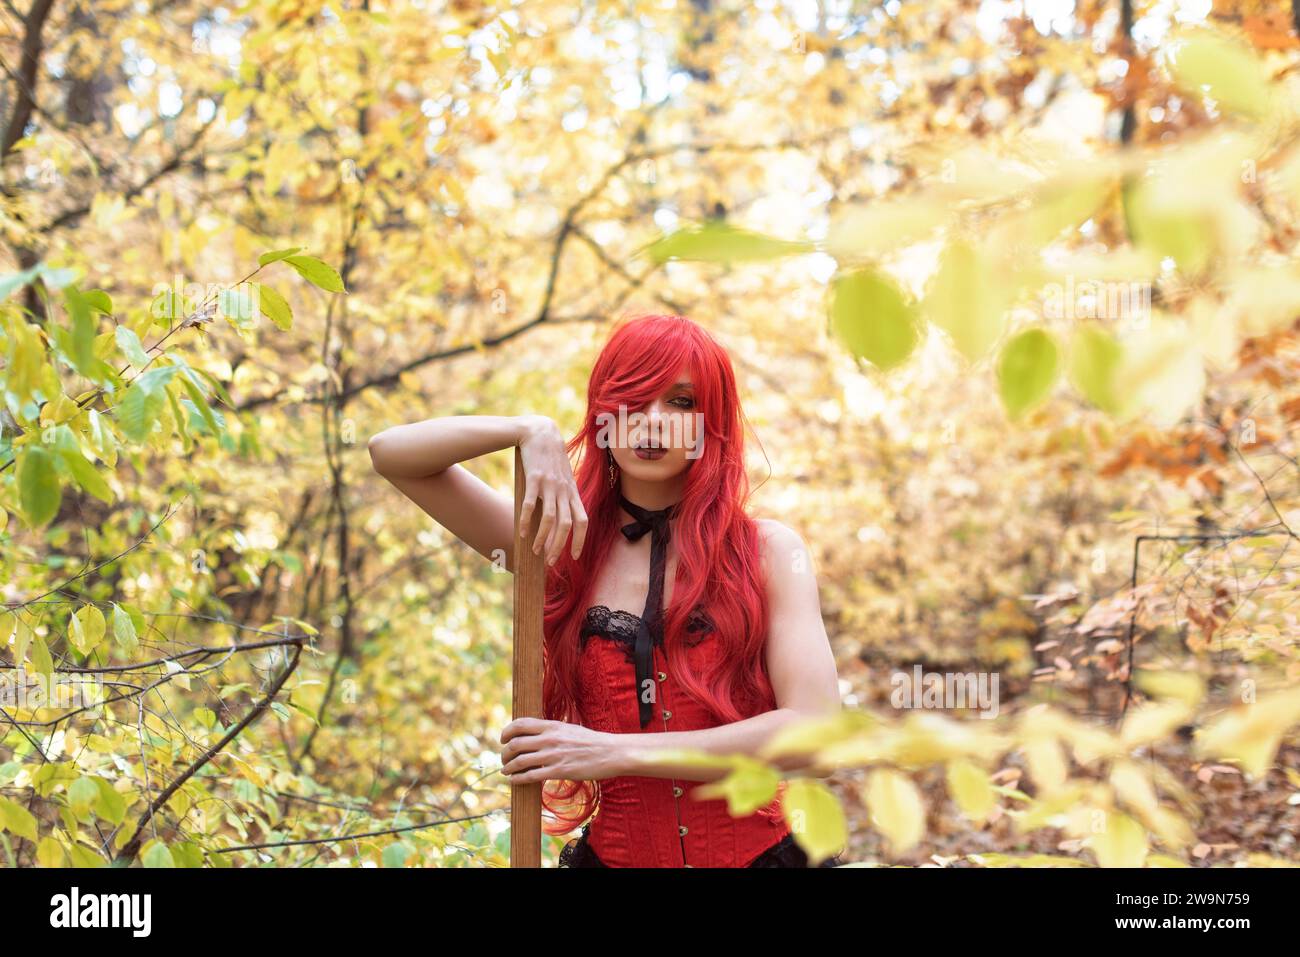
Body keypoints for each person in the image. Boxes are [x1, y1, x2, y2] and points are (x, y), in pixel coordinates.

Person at [367, 313, 844, 867]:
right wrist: (527, 430)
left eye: (682, 403)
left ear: (710, 423)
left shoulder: (765, 551)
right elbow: (391, 453)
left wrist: (614, 751)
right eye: (633, 398)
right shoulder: (561, 542)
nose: (652, 422)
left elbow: (817, 733)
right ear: (602, 414)